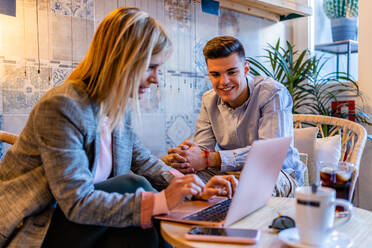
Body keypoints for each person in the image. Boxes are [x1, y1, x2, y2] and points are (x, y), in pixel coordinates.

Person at [0, 8, 237, 248]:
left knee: (140, 234)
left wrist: (194, 187)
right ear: (122, 61)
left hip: (87, 225)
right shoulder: (62, 106)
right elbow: (77, 202)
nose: (156, 79)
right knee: (132, 185)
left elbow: (144, 161)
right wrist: (161, 200)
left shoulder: (117, 109)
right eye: (150, 67)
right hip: (39, 227)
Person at [162, 36, 306, 196]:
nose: (224, 81)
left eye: (232, 72)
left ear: (246, 69)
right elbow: (204, 150)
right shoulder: (208, 100)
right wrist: (188, 157)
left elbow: (269, 154)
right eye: (215, 74)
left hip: (278, 174)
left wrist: (210, 159)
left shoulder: (273, 93)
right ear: (208, 74)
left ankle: (229, 213)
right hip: (231, 175)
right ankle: (203, 218)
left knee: (260, 181)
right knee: (176, 176)